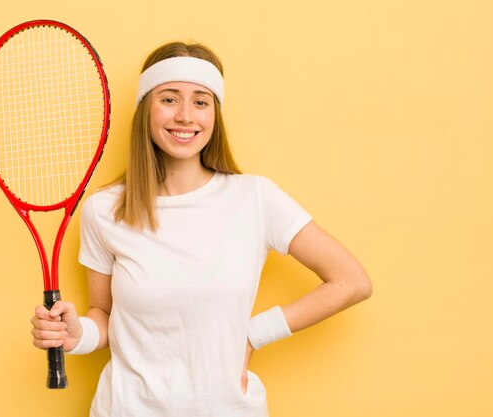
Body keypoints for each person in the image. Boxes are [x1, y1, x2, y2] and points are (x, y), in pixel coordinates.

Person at [30, 42, 372, 416]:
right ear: (146, 109)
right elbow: (106, 316)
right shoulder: (104, 210)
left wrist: (256, 334)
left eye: (200, 101)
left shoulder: (255, 197)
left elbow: (351, 281)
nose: (185, 116)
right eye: (169, 98)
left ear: (214, 115)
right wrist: (77, 334)